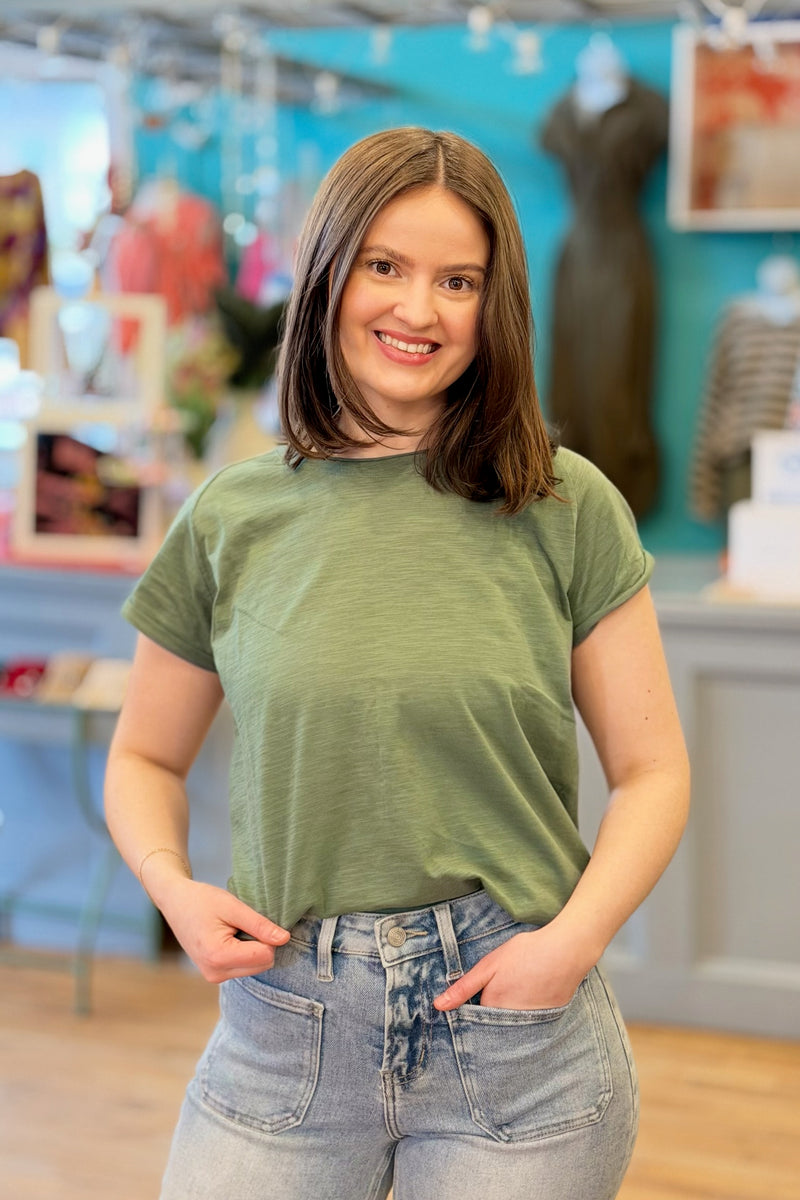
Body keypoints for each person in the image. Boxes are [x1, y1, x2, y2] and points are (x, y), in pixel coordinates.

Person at [104, 126, 690, 1200]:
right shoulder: (232, 516)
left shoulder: (565, 505)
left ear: (494, 304)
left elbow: (654, 773)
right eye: (385, 265)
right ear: (328, 272)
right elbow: (143, 755)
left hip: (515, 1039)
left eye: (457, 280)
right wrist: (171, 888)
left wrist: (570, 944)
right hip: (284, 1023)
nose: (418, 310)